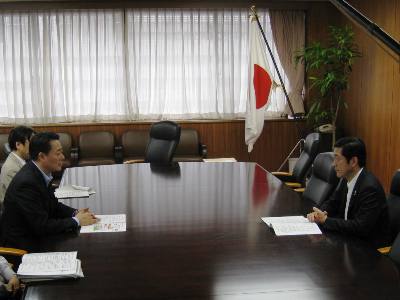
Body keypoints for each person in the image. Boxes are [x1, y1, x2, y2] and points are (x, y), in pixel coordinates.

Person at [1, 132, 97, 250]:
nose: (62, 157)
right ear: (42, 156)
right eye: (58, 153)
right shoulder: (27, 183)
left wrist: (75, 213)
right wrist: (76, 221)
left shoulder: (39, 172)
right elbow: (41, 226)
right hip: (23, 246)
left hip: (36, 236)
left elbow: (53, 205)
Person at [307, 137, 390, 247]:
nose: (333, 164)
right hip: (348, 240)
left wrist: (326, 220)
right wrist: (319, 213)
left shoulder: (370, 188)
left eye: (338, 159)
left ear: (353, 162)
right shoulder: (346, 178)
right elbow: (333, 202)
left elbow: (360, 227)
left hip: (368, 250)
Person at [0, 126, 35, 205]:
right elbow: (19, 201)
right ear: (18, 145)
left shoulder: (23, 160)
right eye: (31, 143)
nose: (34, 147)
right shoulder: (12, 169)